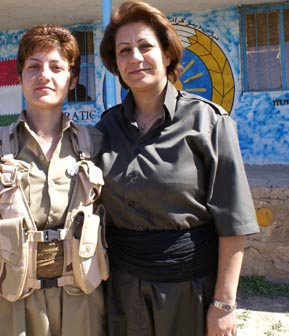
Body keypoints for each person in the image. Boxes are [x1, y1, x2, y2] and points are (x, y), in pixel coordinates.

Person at [96, 1, 260, 336]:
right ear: (116, 64)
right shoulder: (107, 127)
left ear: (168, 55)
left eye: (145, 46)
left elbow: (234, 221)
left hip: (189, 291)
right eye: (124, 51)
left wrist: (224, 304)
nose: (135, 58)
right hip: (123, 291)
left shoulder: (208, 121)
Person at [0, 24, 108, 336]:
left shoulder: (96, 147)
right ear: (19, 76)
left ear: (72, 79)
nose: (44, 76)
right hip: (11, 306)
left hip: (82, 306)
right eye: (33, 66)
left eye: (56, 67)